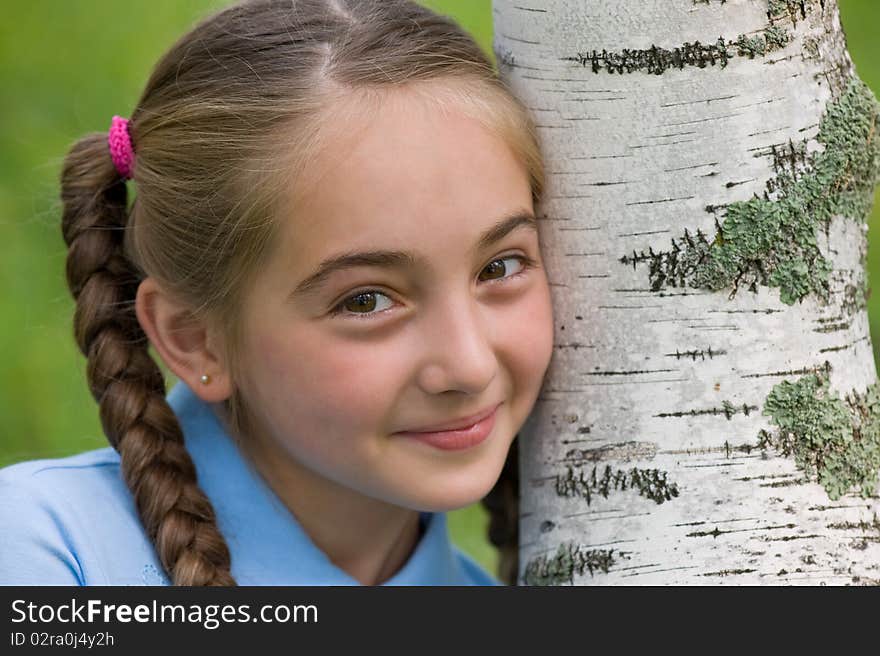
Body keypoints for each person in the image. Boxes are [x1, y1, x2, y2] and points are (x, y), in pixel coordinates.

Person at [0, 0, 554, 586]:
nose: (468, 365)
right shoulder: (47, 555)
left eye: (500, 266)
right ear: (196, 340)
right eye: (366, 300)